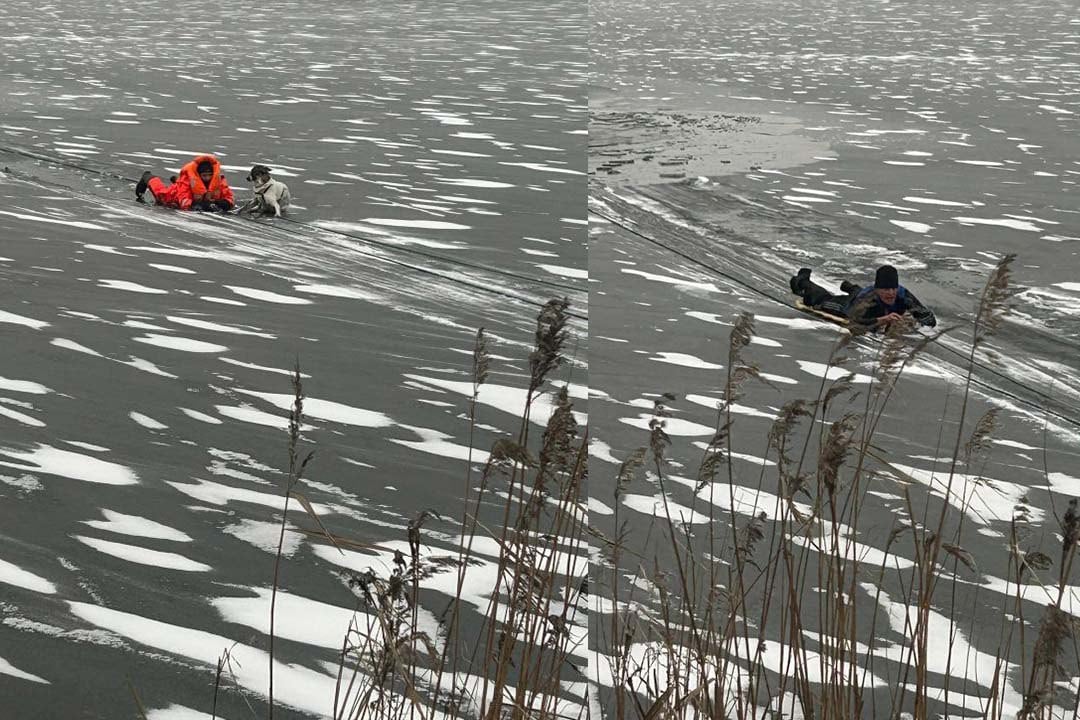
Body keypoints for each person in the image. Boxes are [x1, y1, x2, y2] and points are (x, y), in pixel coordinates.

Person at [790, 264, 936, 329]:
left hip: (866, 299)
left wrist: (917, 320)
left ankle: (851, 287)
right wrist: (882, 320)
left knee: (858, 292)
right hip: (849, 305)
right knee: (820, 301)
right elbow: (854, 320)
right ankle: (802, 281)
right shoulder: (868, 297)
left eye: (893, 288)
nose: (891, 293)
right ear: (877, 289)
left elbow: (928, 319)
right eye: (885, 289)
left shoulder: (903, 295)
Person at [135, 154, 235, 212]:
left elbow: (229, 197)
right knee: (159, 192)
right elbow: (184, 202)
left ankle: (174, 179)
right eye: (204, 175)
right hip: (173, 196)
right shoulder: (187, 181)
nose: (208, 178)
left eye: (210, 175)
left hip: (205, 202)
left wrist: (221, 203)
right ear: (199, 175)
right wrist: (201, 205)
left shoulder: (219, 181)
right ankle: (147, 176)